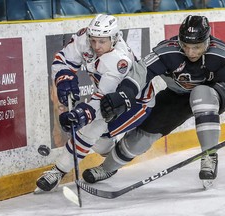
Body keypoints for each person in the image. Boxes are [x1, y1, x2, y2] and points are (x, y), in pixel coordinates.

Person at [82, 15, 225, 187]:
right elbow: (141, 71)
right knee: (143, 135)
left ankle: (209, 154)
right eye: (186, 46)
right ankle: (107, 168)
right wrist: (124, 94)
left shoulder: (221, 53)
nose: (191, 52)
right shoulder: (167, 50)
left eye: (197, 47)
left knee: (201, 93)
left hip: (215, 92)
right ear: (179, 40)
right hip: (178, 95)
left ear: (208, 41)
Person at [35, 14, 155, 192]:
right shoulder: (85, 38)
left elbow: (103, 102)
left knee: (91, 129)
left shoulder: (119, 61)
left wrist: (81, 115)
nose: (96, 46)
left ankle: (57, 172)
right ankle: (112, 156)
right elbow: (62, 60)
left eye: (102, 42)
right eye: (94, 41)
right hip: (108, 98)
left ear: (114, 39)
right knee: (98, 141)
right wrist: (64, 77)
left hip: (136, 102)